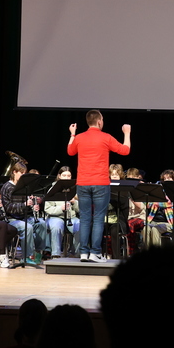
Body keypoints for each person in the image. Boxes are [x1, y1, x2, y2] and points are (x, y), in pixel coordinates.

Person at [66, 110, 131, 263]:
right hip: (101, 183)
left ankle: (83, 253)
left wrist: (73, 134)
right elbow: (125, 150)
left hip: (82, 183)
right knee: (98, 219)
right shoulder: (106, 137)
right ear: (100, 121)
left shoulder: (80, 138)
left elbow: (70, 151)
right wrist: (127, 133)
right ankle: (95, 253)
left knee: (85, 218)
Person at [0, 161, 46, 265]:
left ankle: (38, 252)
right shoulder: (7, 187)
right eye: (21, 173)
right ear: (14, 172)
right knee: (27, 227)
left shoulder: (24, 187)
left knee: (41, 224)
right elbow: (8, 208)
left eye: (24, 173)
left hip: (23, 217)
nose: (23, 176)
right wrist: (24, 205)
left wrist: (32, 206)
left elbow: (25, 208)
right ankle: (26, 257)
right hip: (11, 219)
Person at [43, 166, 79, 258]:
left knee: (80, 225)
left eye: (69, 176)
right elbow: (47, 208)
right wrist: (61, 209)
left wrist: (74, 202)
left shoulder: (75, 190)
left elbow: (81, 210)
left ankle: (76, 253)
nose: (66, 178)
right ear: (59, 176)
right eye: (64, 175)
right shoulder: (53, 189)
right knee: (56, 227)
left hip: (71, 217)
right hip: (56, 217)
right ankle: (56, 254)